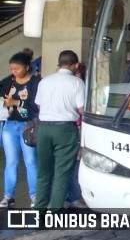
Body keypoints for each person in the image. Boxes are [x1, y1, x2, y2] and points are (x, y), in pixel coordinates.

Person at [34, 50, 85, 212]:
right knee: (62, 174)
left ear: (59, 64)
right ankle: (55, 212)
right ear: (76, 65)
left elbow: (39, 105)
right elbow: (82, 110)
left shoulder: (45, 81)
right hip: (65, 130)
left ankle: (39, 210)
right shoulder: (77, 83)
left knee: (43, 173)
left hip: (44, 129)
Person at [1, 49, 40, 208]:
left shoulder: (36, 82)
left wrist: (16, 103)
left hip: (28, 126)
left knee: (31, 161)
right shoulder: (10, 81)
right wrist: (7, 102)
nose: (14, 72)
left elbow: (36, 107)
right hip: (10, 125)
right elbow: (4, 98)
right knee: (11, 162)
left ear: (27, 67)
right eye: (11, 69)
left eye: (17, 69)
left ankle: (35, 195)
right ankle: (8, 196)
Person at [65, 62, 87, 209]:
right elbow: (82, 111)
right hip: (74, 129)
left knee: (72, 166)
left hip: (76, 128)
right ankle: (73, 197)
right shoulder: (78, 86)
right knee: (73, 166)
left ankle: (71, 196)